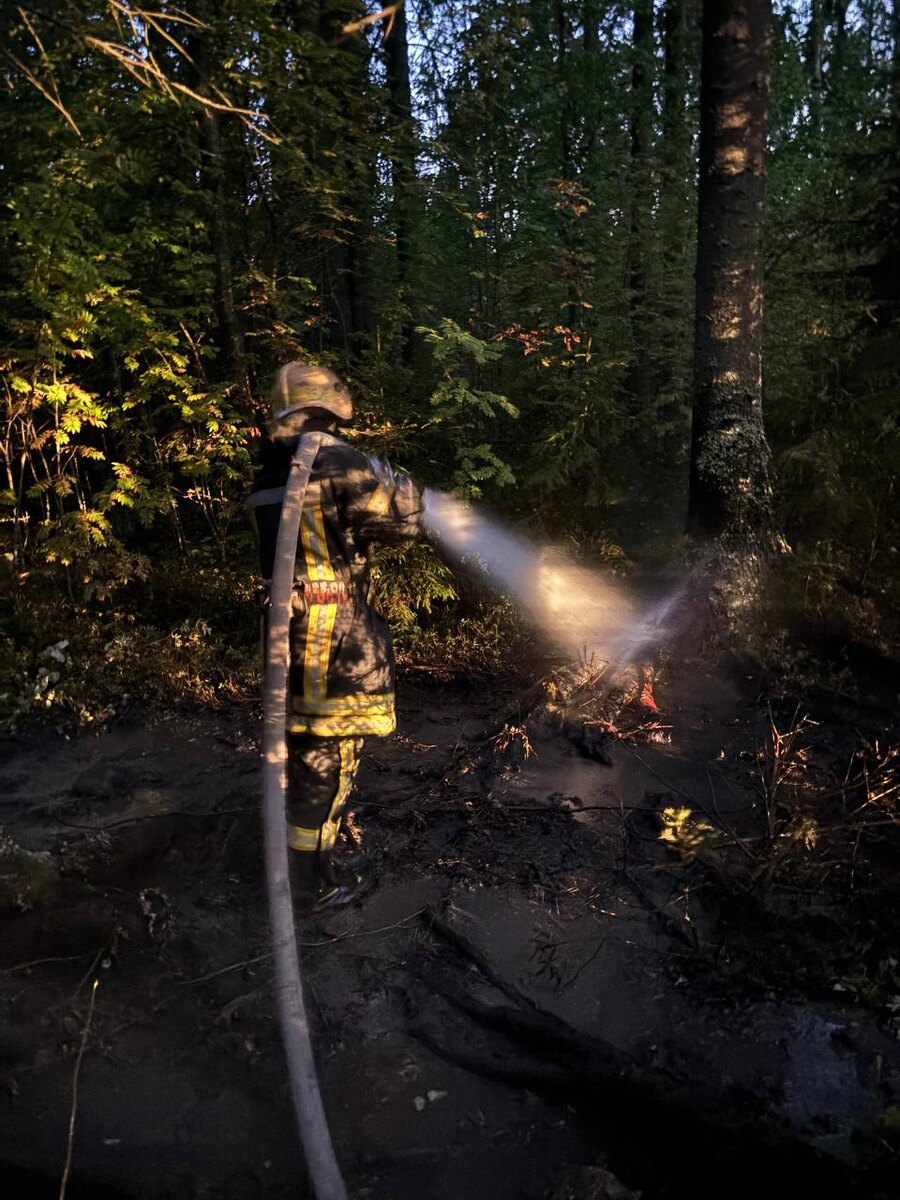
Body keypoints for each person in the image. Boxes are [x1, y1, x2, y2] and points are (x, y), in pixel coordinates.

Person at [249, 362, 423, 914]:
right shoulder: (339, 460)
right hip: (336, 642)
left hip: (285, 638)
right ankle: (309, 883)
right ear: (326, 408)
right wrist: (400, 484)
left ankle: (300, 859)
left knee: (299, 752)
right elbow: (404, 524)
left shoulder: (268, 470)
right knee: (329, 759)